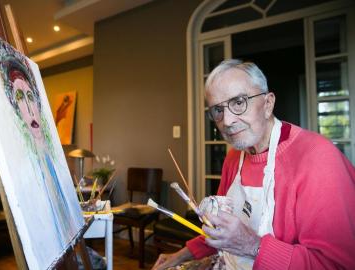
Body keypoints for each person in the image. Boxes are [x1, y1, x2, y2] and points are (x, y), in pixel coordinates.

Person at [152, 59, 355, 270]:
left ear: (268, 104)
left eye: (239, 102)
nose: (227, 121)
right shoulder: (233, 158)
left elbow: (337, 265)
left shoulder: (319, 158)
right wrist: (179, 256)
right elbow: (219, 230)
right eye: (218, 110)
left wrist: (252, 245)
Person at [0, 37, 82, 250]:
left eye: (31, 96)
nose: (31, 109)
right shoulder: (24, 166)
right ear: (14, 106)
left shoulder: (49, 158)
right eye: (19, 96)